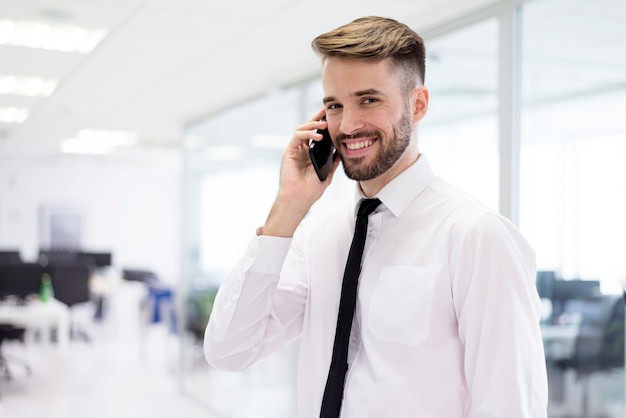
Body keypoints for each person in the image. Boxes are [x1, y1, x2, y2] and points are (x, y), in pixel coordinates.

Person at [204, 16, 548, 418]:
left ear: (417, 104)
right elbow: (228, 351)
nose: (347, 125)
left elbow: (509, 405)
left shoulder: (476, 235)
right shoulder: (319, 234)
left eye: (368, 99)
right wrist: (288, 207)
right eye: (335, 105)